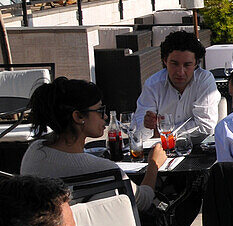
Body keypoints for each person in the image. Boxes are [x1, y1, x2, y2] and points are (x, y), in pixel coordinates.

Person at [20, 78, 165, 211]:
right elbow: (143, 201)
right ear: (78, 116)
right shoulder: (104, 170)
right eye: (100, 110)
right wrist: (154, 164)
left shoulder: (34, 151)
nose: (106, 116)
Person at [134, 31, 221, 138]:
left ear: (196, 64)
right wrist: (146, 126)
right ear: (165, 61)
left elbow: (206, 127)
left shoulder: (204, 80)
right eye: (174, 64)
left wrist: (165, 132)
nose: (180, 72)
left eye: (187, 65)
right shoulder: (153, 85)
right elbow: (139, 132)